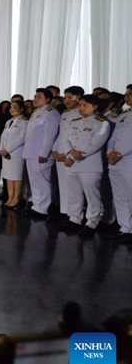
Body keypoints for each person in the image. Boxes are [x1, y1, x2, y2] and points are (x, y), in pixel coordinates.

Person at [63, 95, 111, 238]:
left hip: (89, 165)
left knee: (92, 196)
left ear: (95, 107)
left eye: (85, 105)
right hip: (73, 164)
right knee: (74, 193)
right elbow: (66, 140)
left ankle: (92, 222)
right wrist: (70, 153)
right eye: (80, 105)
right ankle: (75, 219)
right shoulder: (74, 122)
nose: (81, 108)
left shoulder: (101, 123)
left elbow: (95, 144)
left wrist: (72, 156)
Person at [21, 88, 60, 220]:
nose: (35, 99)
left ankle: (42, 208)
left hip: (40, 154)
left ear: (47, 99)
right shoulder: (37, 113)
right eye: (35, 96)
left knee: (42, 181)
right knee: (34, 181)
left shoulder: (51, 113)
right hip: (31, 152)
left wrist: (44, 152)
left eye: (38, 97)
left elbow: (50, 135)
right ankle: (36, 206)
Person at [51, 86, 84, 227]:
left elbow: (79, 137)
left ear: (79, 97)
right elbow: (61, 134)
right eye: (65, 97)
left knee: (74, 188)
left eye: (70, 97)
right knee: (63, 186)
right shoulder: (65, 114)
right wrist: (54, 150)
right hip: (60, 153)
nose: (67, 100)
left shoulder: (82, 113)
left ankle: (75, 217)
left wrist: (68, 155)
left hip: (71, 156)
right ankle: (65, 212)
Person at [106, 87, 132, 245]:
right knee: (120, 197)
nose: (126, 97)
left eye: (129, 95)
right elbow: (114, 136)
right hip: (115, 161)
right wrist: (110, 151)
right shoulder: (125, 115)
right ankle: (125, 228)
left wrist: (119, 153)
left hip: (128, 161)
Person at [0, 101, 28, 209]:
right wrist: (1, 149)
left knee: (16, 177)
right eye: (11, 107)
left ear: (21, 109)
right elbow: (3, 136)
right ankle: (10, 197)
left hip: (16, 153)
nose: (12, 109)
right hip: (5, 153)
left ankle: (16, 198)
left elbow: (21, 138)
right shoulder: (9, 121)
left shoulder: (23, 122)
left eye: (15, 107)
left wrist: (8, 149)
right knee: (8, 177)